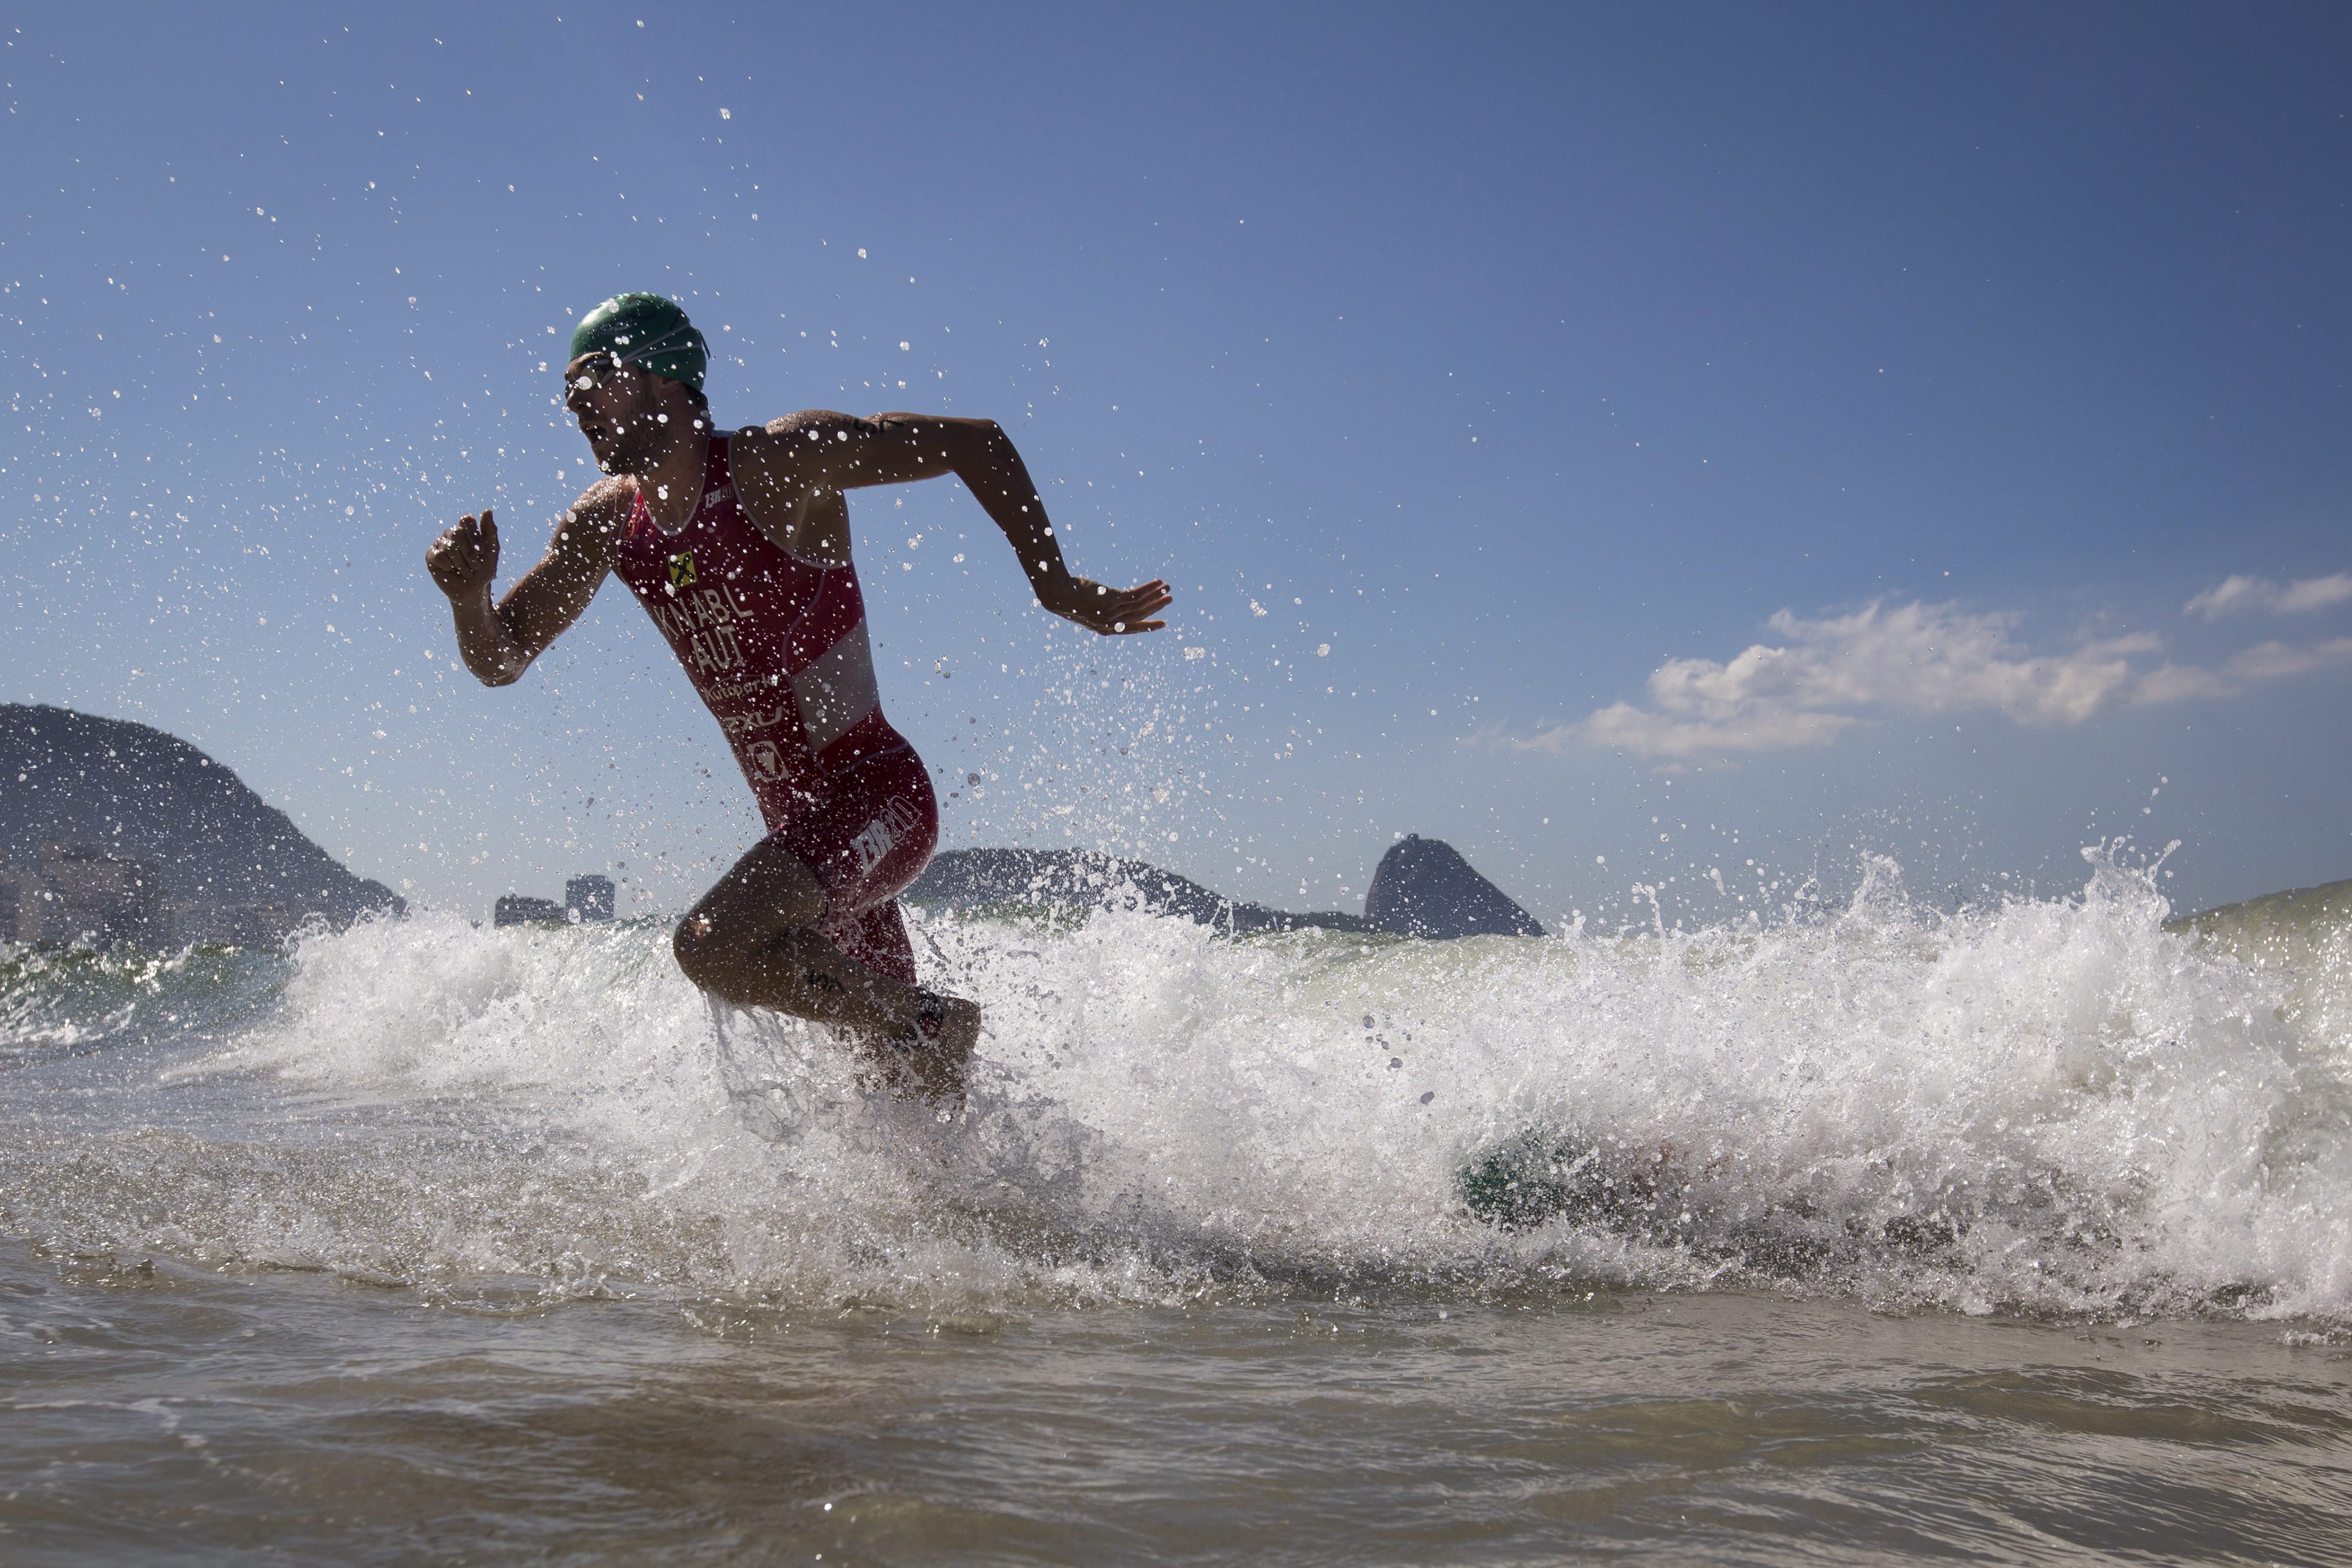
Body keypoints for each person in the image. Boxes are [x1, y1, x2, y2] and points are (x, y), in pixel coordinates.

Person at [426, 293, 1171, 1102]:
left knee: (711, 947)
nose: (576, 409)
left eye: (592, 383)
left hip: (878, 799)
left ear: (660, 376)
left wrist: (1053, 584)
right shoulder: (608, 523)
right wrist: (468, 599)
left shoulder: (776, 464)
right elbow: (501, 660)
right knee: (900, 1114)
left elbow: (975, 444)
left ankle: (938, 1023)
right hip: (805, 844)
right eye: (566, 395)